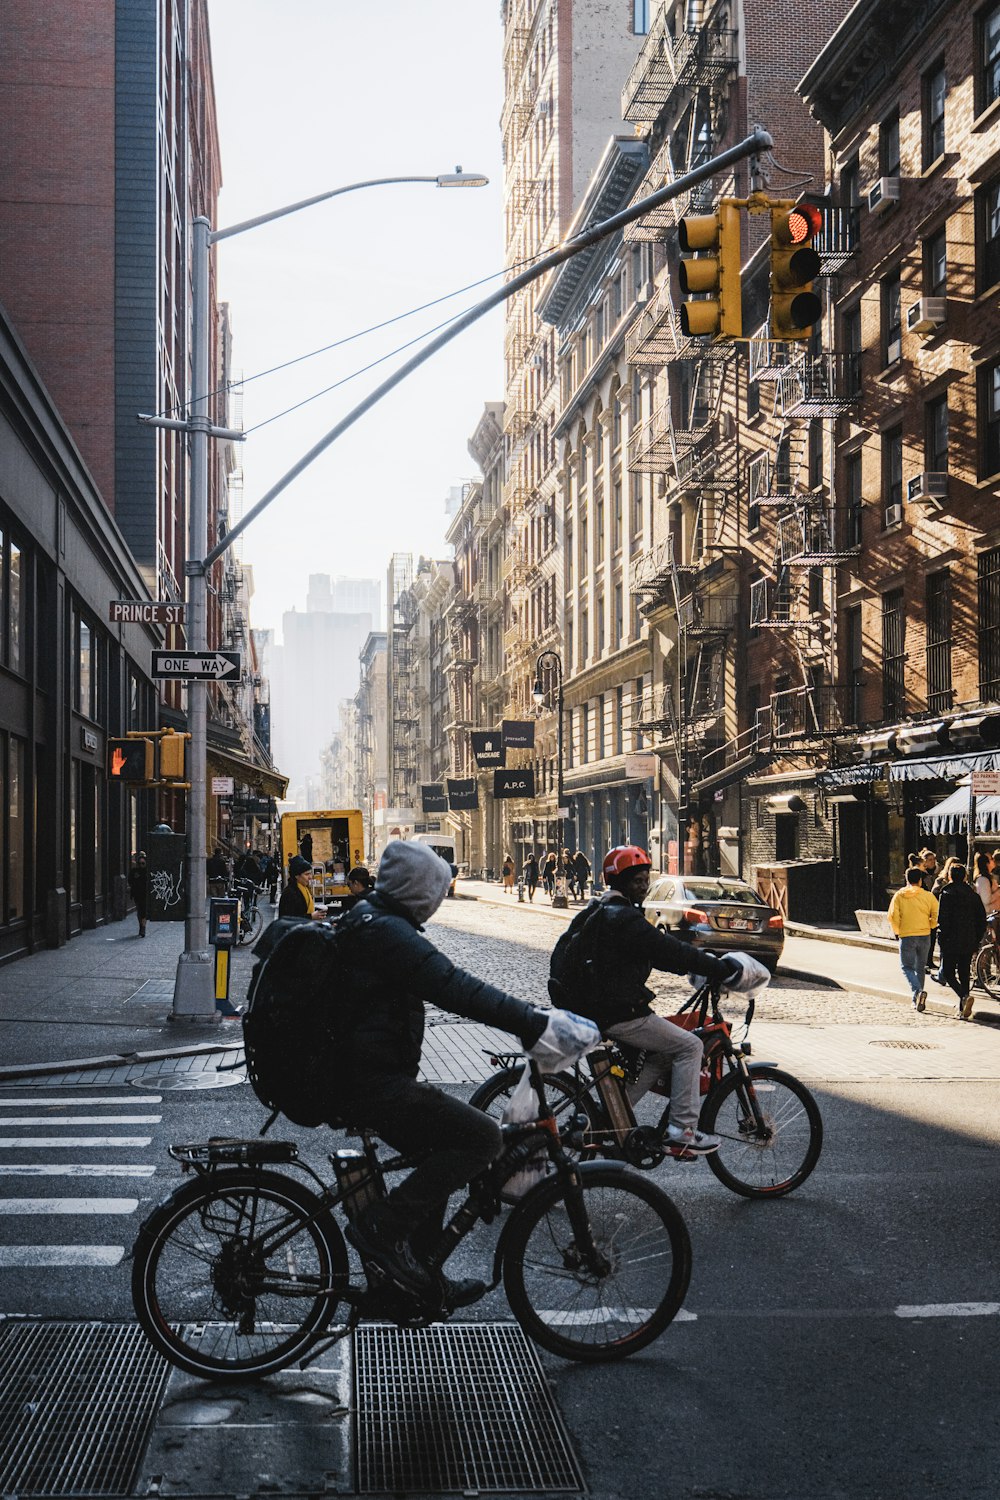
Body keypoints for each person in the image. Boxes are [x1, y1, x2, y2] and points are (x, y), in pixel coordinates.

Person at [335, 840, 575, 1307]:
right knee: (483, 1137)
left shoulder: (371, 918)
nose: (441, 899)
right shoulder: (389, 933)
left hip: (359, 1073)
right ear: (419, 890)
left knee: (438, 1152)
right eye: (437, 889)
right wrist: (533, 1022)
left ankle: (416, 1279)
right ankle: (381, 1231)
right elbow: (455, 988)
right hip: (368, 1081)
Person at [550, 845, 768, 1158]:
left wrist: (694, 964)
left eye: (645, 879)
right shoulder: (623, 917)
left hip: (597, 1007)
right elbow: (668, 949)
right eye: (637, 880)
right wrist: (720, 968)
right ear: (620, 882)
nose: (643, 886)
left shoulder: (602, 910)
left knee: (662, 1055)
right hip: (617, 1012)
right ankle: (681, 1132)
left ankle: (613, 1119)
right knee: (690, 1046)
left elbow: (658, 953)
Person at [936, 863, 987, 1021]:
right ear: (965, 876)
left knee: (948, 973)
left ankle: (963, 997)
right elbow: (981, 919)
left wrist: (942, 939)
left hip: (951, 940)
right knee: (964, 974)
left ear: (950, 876)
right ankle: (962, 1008)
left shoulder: (947, 893)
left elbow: (942, 919)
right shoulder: (973, 895)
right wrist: (976, 938)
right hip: (968, 939)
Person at [888, 865, 939, 1011]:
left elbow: (892, 916)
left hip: (907, 935)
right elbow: (936, 913)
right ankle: (917, 998)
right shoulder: (928, 896)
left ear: (907, 879)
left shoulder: (899, 895)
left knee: (906, 967)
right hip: (924, 934)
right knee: (920, 968)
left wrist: (897, 930)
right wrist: (930, 925)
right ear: (921, 881)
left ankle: (917, 992)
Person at [128, 851, 148, 938]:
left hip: (145, 894)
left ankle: (143, 928)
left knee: (143, 911)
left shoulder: (147, 871)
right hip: (137, 894)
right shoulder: (134, 871)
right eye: (139, 863)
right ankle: (141, 926)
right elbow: (130, 881)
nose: (141, 865)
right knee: (139, 911)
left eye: (143, 863)